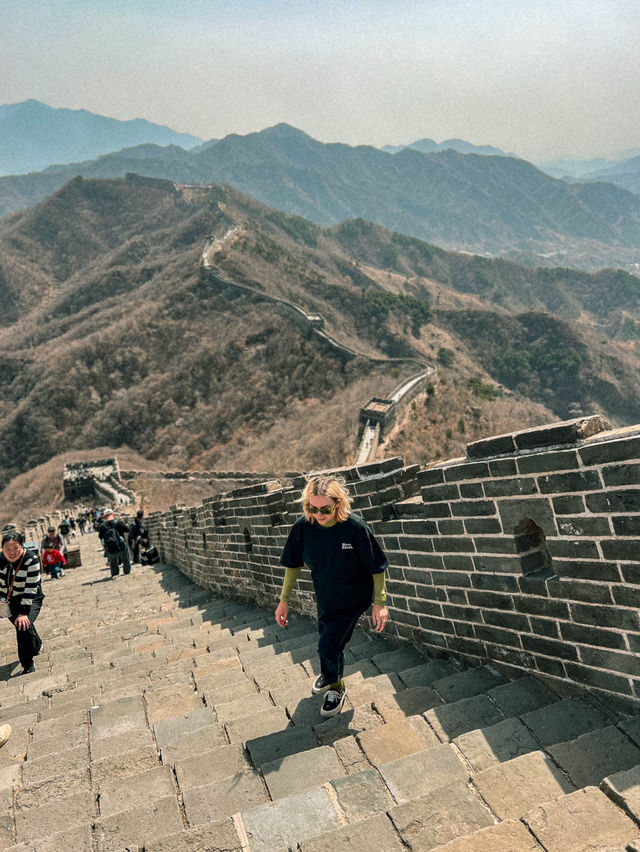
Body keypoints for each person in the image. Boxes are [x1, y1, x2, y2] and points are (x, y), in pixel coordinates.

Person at [275, 475, 389, 719]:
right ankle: (330, 674)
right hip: (325, 596)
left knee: (327, 645)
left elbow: (376, 566)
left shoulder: (355, 527)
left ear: (338, 503)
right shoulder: (303, 528)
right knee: (329, 642)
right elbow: (292, 565)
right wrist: (283, 600)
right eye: (311, 508)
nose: (319, 514)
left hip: (354, 597)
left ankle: (335, 687)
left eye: (325, 509)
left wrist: (380, 603)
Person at [0, 531, 44, 675]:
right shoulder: (1, 560)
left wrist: (23, 613)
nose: (11, 552)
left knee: (22, 627)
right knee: (25, 626)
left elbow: (30, 588)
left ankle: (27, 664)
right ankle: (37, 645)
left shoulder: (31, 560)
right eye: (7, 548)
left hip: (31, 598)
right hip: (11, 599)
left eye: (15, 548)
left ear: (22, 546)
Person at [98, 509, 131, 577]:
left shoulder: (102, 526)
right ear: (113, 514)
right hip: (121, 545)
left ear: (104, 517)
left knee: (113, 562)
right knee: (125, 560)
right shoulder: (119, 522)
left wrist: (104, 546)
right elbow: (127, 529)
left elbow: (101, 537)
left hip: (110, 547)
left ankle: (115, 573)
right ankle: (127, 572)